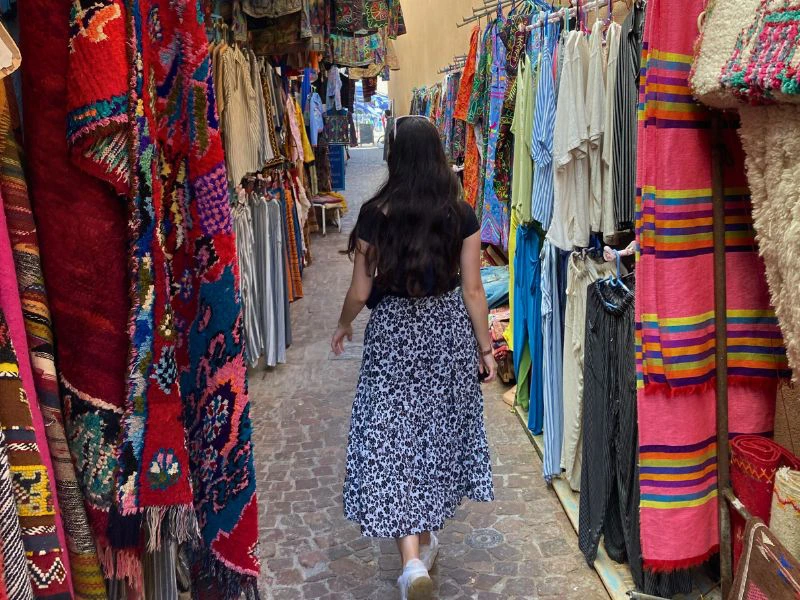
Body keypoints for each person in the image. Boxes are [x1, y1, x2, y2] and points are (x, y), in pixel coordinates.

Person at [331, 115, 496, 600]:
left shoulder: (374, 213)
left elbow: (361, 290)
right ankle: (418, 553)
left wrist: (343, 325)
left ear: (395, 157)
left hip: (393, 336)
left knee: (395, 436)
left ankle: (412, 562)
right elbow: (472, 290)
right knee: (433, 436)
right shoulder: (461, 213)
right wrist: (484, 349)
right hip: (444, 333)